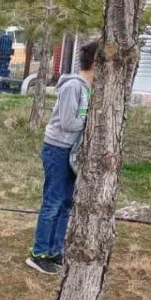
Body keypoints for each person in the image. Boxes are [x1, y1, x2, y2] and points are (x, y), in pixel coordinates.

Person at [26, 39, 98, 275]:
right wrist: (92, 123)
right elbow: (69, 123)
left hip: (72, 151)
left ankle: (55, 251)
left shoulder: (88, 89)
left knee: (66, 203)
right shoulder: (73, 87)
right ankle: (39, 254)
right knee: (53, 201)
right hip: (57, 148)